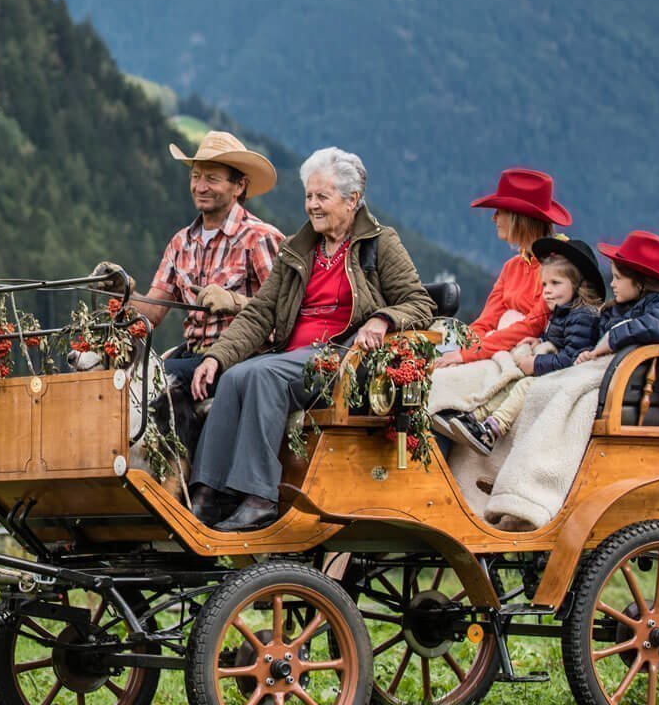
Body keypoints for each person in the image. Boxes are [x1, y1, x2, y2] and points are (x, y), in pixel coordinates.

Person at [186, 147, 435, 531]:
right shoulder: (296, 250)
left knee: (264, 375)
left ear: (352, 200)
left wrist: (383, 319)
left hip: (342, 359)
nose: (312, 206)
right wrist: (216, 358)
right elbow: (259, 313)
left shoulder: (380, 243)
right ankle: (207, 494)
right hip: (295, 356)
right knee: (235, 376)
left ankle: (259, 498)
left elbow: (419, 303)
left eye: (322, 196)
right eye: (308, 196)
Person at [128, 130, 285, 382]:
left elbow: (285, 313)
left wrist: (233, 302)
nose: (200, 187)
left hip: (241, 360)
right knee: (123, 378)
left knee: (146, 382)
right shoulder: (181, 242)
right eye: (195, 176)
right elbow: (153, 313)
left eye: (212, 178)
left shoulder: (260, 238)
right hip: (192, 356)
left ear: (239, 186)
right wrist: (124, 293)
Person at [439, 236, 604, 453]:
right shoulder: (563, 312)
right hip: (554, 367)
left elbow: (572, 357)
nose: (547, 290)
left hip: (567, 375)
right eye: (544, 284)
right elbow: (561, 340)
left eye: (555, 284)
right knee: (512, 378)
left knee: (524, 385)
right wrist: (541, 341)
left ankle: (493, 428)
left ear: (578, 285)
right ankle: (474, 416)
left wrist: (537, 363)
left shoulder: (582, 316)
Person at [431, 169, 572, 370]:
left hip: (534, 359)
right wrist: (466, 349)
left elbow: (533, 325)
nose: (494, 218)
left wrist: (468, 354)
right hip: (500, 349)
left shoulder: (558, 266)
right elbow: (485, 322)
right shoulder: (512, 267)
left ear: (518, 218)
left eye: (500, 211)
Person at [576, 230, 659, 365]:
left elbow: (655, 325)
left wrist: (611, 339)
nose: (612, 284)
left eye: (618, 278)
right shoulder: (615, 309)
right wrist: (587, 353)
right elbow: (595, 344)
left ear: (640, 282)